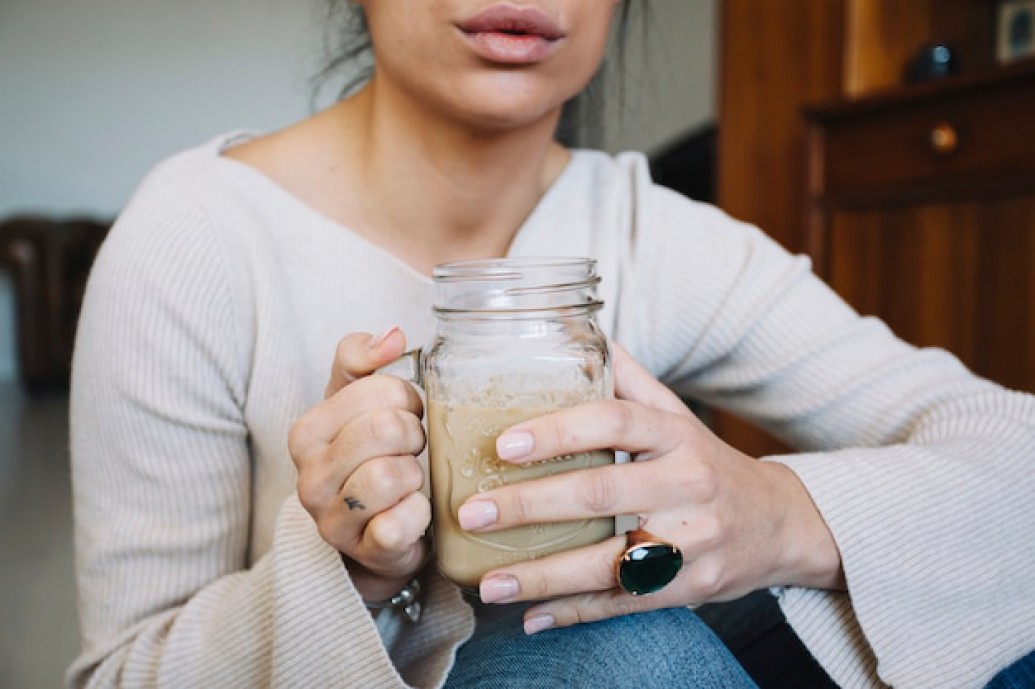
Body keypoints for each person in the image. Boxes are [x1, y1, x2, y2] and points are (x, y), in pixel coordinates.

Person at [66, 1, 1034, 688]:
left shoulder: (650, 231)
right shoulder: (196, 237)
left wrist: (779, 512)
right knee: (620, 654)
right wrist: (353, 572)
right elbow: (122, 674)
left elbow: (1010, 451)